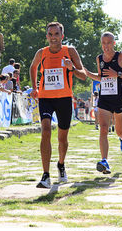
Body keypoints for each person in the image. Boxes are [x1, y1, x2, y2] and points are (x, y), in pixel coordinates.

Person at [29, 21, 87, 188]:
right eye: (50, 34)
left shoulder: (70, 51)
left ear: (62, 36)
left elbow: (83, 75)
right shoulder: (42, 53)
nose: (53, 38)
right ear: (47, 36)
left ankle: (61, 164)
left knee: (62, 138)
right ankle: (45, 175)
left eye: (56, 34)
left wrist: (71, 69)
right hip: (46, 98)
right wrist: (34, 87)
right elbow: (33, 67)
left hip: (64, 99)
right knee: (45, 131)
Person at [84, 31, 122, 174]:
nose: (106, 46)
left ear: (113, 43)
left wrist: (118, 74)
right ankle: (104, 161)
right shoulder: (99, 59)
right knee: (104, 129)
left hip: (119, 99)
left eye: (108, 43)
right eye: (103, 43)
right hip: (104, 99)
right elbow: (101, 77)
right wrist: (88, 73)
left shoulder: (121, 57)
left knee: (119, 130)